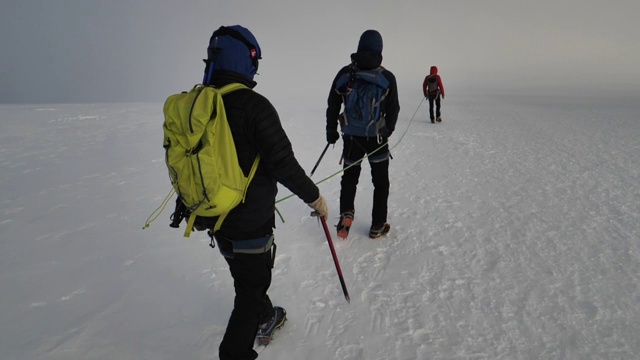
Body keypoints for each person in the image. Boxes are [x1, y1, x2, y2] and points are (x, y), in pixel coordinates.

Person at [194, 25, 328, 360]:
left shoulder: (199, 104)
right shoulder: (254, 106)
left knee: (245, 279)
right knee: (251, 291)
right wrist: (316, 198)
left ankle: (266, 317)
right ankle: (235, 351)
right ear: (245, 59)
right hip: (250, 222)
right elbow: (283, 163)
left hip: (213, 217)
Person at [325, 29, 400, 239]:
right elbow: (394, 108)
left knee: (349, 178)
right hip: (377, 138)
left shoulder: (345, 73)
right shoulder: (386, 77)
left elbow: (333, 103)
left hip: (351, 139)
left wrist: (331, 131)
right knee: (381, 182)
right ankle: (377, 225)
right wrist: (387, 131)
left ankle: (346, 217)